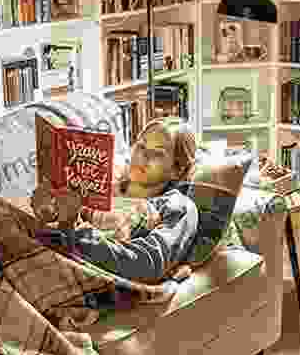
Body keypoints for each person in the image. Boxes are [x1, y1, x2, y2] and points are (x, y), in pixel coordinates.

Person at [30, 117, 199, 284]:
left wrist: (72, 227)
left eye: (157, 153)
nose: (143, 156)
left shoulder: (177, 206)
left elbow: (145, 264)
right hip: (47, 256)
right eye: (141, 145)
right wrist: (47, 211)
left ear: (177, 170)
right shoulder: (98, 183)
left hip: (81, 274)